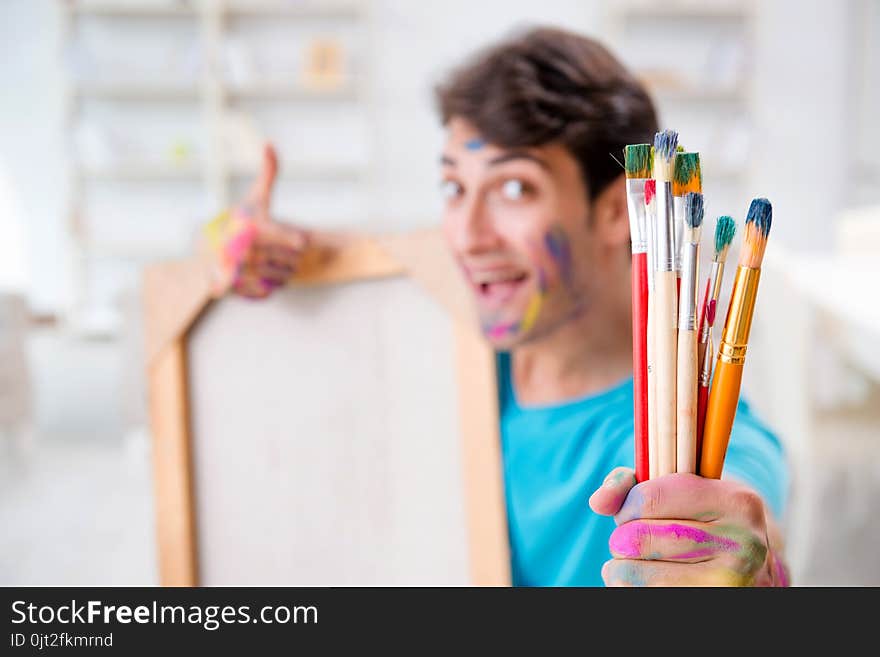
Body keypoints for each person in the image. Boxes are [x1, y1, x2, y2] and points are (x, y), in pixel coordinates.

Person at [203, 27, 790, 587]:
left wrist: (749, 574)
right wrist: (236, 246)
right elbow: (333, 256)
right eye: (454, 188)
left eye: (515, 189)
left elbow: (745, 517)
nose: (468, 235)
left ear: (619, 212)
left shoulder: (698, 437)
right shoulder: (448, 336)